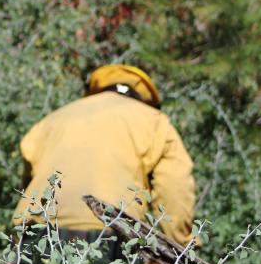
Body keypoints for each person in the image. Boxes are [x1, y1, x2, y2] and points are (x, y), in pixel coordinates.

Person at [13, 64, 195, 245]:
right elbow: (175, 190)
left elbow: (28, 181)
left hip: (36, 234)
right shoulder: (155, 121)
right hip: (110, 233)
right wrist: (181, 249)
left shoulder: (53, 119)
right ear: (145, 99)